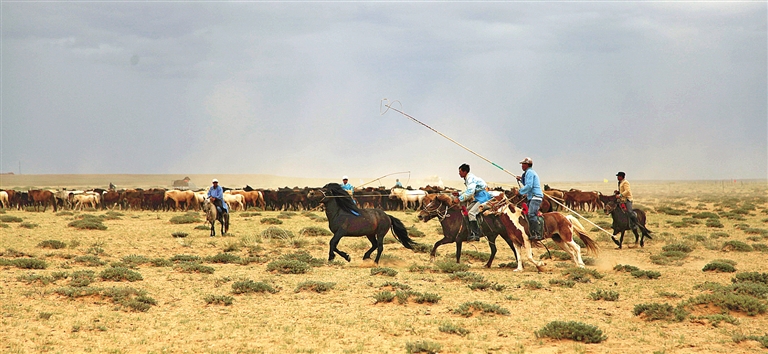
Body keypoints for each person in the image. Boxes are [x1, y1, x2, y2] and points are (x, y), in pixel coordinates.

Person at [454, 163, 492, 242]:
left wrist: (459, 199)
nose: (459, 173)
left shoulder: (470, 179)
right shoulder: (468, 178)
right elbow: (470, 191)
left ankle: (476, 234)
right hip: (478, 197)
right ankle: (470, 231)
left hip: (483, 197)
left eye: (460, 172)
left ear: (465, 172)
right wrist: (459, 194)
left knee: (471, 213)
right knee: (466, 212)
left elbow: (471, 192)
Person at [516, 157, 544, 241]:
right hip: (532, 197)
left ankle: (537, 234)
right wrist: (521, 180)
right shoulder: (529, 172)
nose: (522, 166)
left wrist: (520, 192)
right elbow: (527, 183)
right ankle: (530, 231)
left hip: (535, 197)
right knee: (524, 213)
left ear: (527, 165)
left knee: (531, 214)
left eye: (523, 164)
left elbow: (529, 186)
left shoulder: (530, 173)